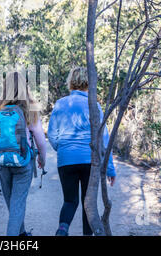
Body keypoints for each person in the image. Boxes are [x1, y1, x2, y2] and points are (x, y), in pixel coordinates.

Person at [47, 67, 116, 236]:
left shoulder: (60, 104)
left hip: (66, 160)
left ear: (71, 81)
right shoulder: (94, 106)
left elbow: (52, 134)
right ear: (89, 82)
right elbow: (103, 139)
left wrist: (62, 148)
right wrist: (110, 168)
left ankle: (62, 230)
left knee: (70, 201)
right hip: (89, 160)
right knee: (89, 203)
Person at [0, 71, 47, 236]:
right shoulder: (30, 107)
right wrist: (42, 158)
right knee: (17, 203)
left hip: (2, 163)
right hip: (24, 162)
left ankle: (22, 233)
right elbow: (40, 139)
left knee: (13, 203)